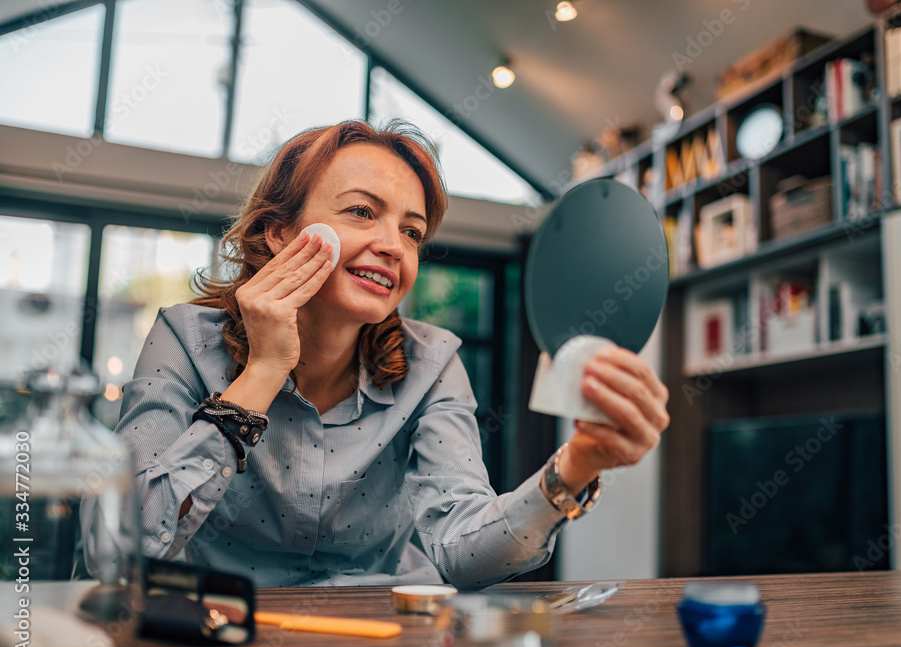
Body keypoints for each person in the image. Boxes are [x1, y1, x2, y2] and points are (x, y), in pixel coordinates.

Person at [119, 120, 670, 589]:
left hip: (384, 632)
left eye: (412, 231)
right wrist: (263, 371)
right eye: (362, 212)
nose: (393, 246)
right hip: (224, 629)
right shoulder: (187, 340)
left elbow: (460, 546)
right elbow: (128, 542)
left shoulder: (432, 365)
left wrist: (578, 464)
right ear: (279, 233)